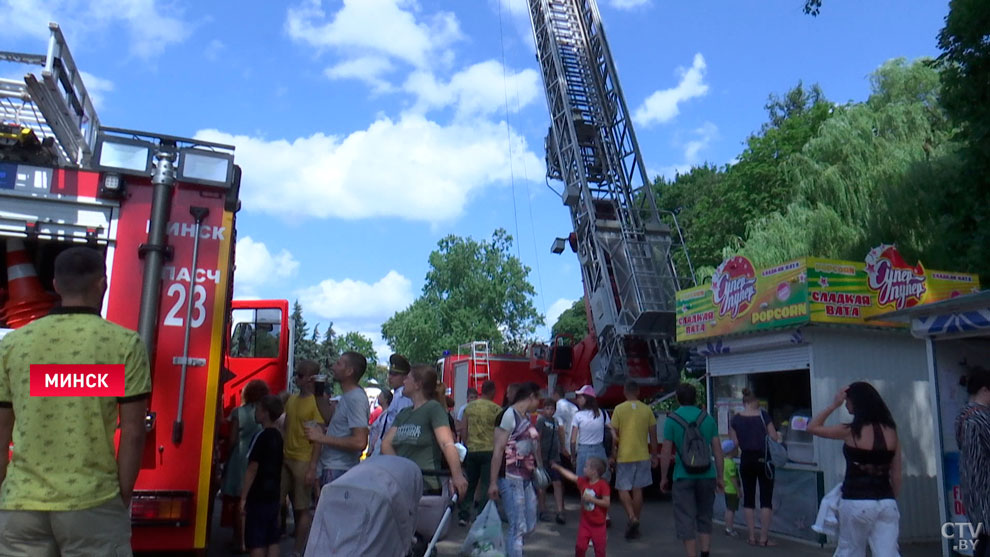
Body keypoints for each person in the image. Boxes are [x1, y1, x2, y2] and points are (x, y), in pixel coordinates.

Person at [0, 246, 151, 555]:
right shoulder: (124, 344)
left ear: (55, 285)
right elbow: (134, 434)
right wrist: (120, 497)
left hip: (21, 505)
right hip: (93, 503)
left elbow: (1, 433)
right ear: (102, 284)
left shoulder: (14, 345)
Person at [807, 382, 902, 557]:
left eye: (847, 401)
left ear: (856, 403)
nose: (846, 405)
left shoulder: (851, 431)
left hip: (856, 499)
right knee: (888, 553)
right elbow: (896, 474)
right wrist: (889, 498)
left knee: (850, 550)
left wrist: (833, 405)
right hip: (886, 501)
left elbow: (813, 427)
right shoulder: (891, 431)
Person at [381, 365, 468, 497]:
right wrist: (401, 471)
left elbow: (447, 443)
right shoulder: (404, 413)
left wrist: (457, 475)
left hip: (426, 485)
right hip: (403, 485)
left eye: (408, 378)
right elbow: (386, 444)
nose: (404, 381)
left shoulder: (433, 409)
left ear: (418, 384)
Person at [660, 383, 724, 557]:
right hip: (707, 474)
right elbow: (717, 450)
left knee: (685, 518)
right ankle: (705, 552)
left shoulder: (672, 420)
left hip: (683, 475)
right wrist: (720, 477)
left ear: (677, 399)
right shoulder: (707, 419)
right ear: (695, 398)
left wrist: (664, 477)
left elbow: (666, 451)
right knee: (705, 515)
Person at [488, 382, 543, 557]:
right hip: (510, 477)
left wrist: (538, 469)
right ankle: (515, 551)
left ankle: (513, 549)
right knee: (517, 526)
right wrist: (493, 482)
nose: (539, 403)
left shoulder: (525, 416)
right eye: (538, 398)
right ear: (531, 397)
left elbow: (533, 445)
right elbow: (498, 450)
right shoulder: (509, 415)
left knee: (529, 522)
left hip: (526, 478)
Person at [305, 352, 370, 487]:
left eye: (339, 364)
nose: (333, 367)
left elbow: (360, 442)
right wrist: (317, 392)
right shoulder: (347, 396)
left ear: (349, 371)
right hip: (333, 467)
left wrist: (321, 438)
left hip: (339, 469)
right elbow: (329, 418)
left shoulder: (355, 399)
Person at [280, 359, 325, 556]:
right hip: (286, 457)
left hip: (304, 460)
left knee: (302, 508)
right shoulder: (291, 400)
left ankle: (298, 551)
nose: (296, 378)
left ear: (310, 379)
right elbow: (286, 427)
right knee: (278, 501)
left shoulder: (316, 403)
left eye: (299, 375)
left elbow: (319, 438)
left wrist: (313, 467)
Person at [222, 379, 271, 553]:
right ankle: (251, 539)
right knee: (252, 500)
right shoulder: (266, 413)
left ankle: (240, 540)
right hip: (258, 457)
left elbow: (233, 439)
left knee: (239, 501)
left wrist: (225, 454)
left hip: (240, 457)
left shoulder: (238, 412)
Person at [728, 388, 780, 546]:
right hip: (764, 459)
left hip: (746, 460)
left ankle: (751, 536)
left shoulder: (735, 420)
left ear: (743, 402)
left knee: (749, 499)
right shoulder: (763, 415)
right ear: (755, 401)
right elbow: (774, 437)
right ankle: (764, 538)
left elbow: (734, 444)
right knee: (766, 500)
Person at [610, 380, 658, 540]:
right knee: (638, 490)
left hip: (625, 455)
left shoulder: (618, 409)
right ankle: (635, 523)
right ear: (638, 392)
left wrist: (613, 454)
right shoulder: (647, 410)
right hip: (643, 454)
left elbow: (614, 436)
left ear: (624, 392)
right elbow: (653, 434)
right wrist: (655, 454)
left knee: (623, 488)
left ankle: (632, 517)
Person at [241, 395, 285, 557]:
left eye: (258, 410)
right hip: (273, 492)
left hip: (258, 494)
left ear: (265, 413)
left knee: (257, 539)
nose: (255, 412)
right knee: (272, 538)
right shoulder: (278, 437)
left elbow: (252, 468)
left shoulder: (260, 436)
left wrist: (244, 497)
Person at [457, 380, 502, 526]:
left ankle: (464, 514)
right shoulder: (497, 409)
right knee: (485, 485)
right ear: (492, 391)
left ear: (481, 390)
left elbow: (463, 428)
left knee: (471, 484)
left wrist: (467, 443)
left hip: (473, 450)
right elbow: (499, 432)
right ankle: (481, 516)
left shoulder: (469, 408)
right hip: (489, 451)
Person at [956, 367, 990, 557]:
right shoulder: (982, 418)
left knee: (980, 541)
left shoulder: (962, 417)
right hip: (986, 490)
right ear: (985, 390)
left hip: (971, 490)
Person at [552, 457, 610, 557]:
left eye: (586, 467)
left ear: (594, 472)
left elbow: (606, 503)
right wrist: (558, 468)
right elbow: (572, 477)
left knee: (600, 551)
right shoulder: (584, 482)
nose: (584, 469)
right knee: (580, 547)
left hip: (599, 525)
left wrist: (592, 499)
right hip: (585, 523)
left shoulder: (603, 485)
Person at [570, 385, 612, 488]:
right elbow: (612, 433)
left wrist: (573, 456)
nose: (578, 400)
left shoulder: (578, 416)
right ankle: (600, 502)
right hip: (599, 450)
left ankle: (586, 503)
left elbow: (573, 440)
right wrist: (611, 453)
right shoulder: (603, 413)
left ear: (587, 399)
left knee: (583, 483)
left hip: (583, 450)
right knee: (602, 481)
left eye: (580, 397)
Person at [537, 397, 566, 525]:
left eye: (551, 408)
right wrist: (538, 460)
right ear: (544, 409)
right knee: (542, 484)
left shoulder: (555, 421)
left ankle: (560, 511)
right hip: (543, 457)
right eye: (547, 408)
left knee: (557, 483)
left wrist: (563, 448)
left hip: (554, 457)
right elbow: (537, 439)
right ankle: (542, 510)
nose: (549, 411)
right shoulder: (541, 421)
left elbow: (560, 437)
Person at [375, 354, 412, 450]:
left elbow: (402, 427)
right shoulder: (396, 395)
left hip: (393, 447)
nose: (390, 377)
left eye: (395, 375)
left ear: (404, 377)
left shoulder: (404, 397)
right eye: (390, 373)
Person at [721, 440, 740, 537]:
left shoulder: (723, 462)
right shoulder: (731, 464)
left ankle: (727, 527)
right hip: (732, 490)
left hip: (726, 488)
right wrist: (738, 491)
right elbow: (733, 479)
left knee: (728, 509)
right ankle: (729, 528)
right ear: (731, 451)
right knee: (731, 510)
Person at [366, 390, 393, 456]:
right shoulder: (382, 415)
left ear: (386, 400)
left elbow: (381, 433)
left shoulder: (387, 416)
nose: (378, 397)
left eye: (380, 396)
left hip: (378, 450)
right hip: (375, 449)